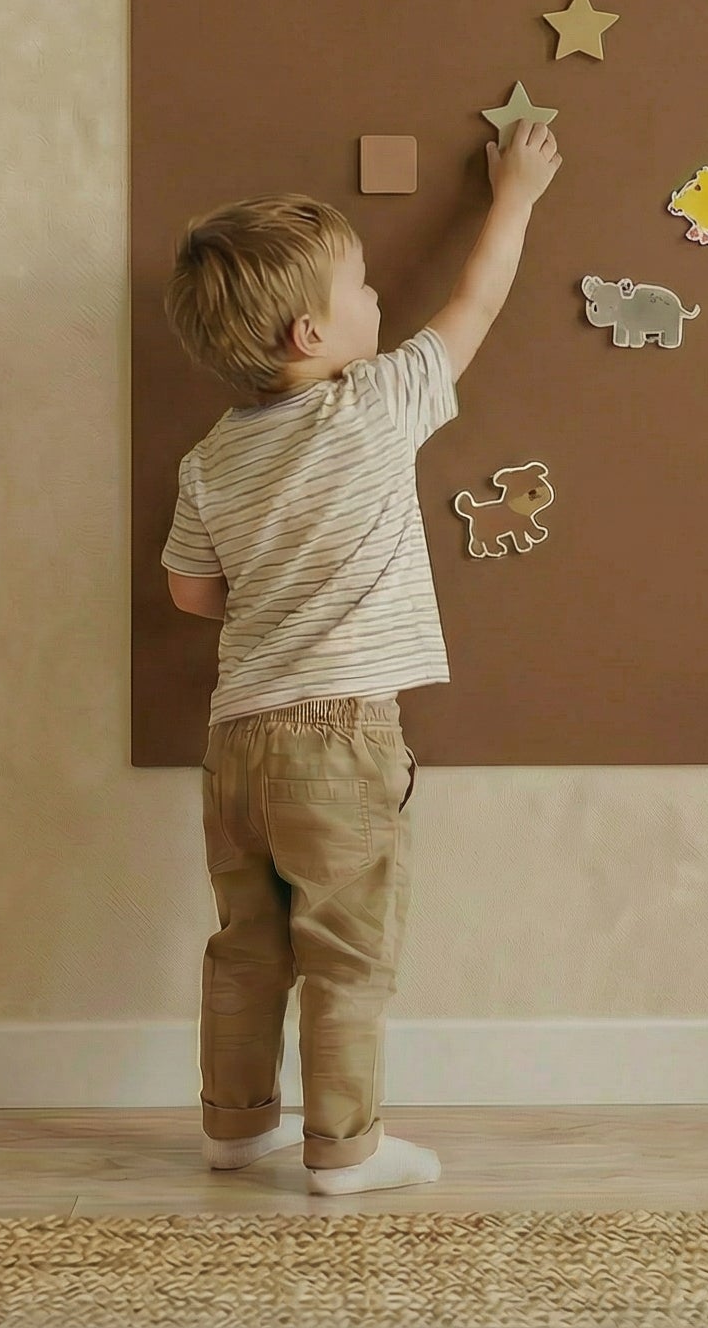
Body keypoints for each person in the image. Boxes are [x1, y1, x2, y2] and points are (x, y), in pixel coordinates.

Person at [161, 120, 562, 1194]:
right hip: (339, 734)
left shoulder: (207, 458)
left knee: (246, 945)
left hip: (236, 736)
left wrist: (276, 576)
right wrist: (513, 194)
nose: (381, 300)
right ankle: (343, 1145)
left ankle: (234, 1126)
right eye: (363, 288)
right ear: (309, 332)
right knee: (344, 949)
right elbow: (472, 305)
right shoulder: (372, 403)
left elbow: (190, 592)